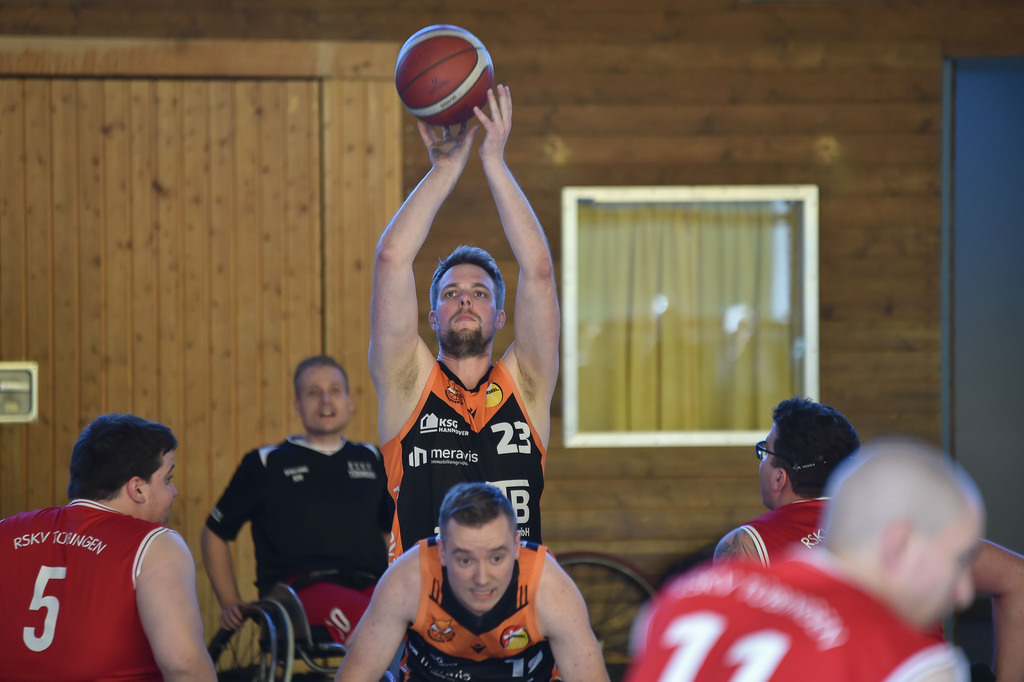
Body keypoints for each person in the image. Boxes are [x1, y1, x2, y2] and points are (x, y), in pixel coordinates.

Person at [369, 85, 560, 559]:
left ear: (500, 316)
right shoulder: (408, 380)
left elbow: (538, 271)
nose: (465, 301)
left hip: (512, 617)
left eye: (480, 293)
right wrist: (444, 172)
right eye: (451, 294)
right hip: (423, 610)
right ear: (433, 316)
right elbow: (392, 258)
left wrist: (494, 160)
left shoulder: (528, 386)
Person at [713, 396, 1024, 681]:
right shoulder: (903, 528)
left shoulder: (746, 544)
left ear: (780, 478)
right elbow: (1017, 577)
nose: (762, 461)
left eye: (764, 452)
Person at [627, 437, 984, 681]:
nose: (964, 592)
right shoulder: (914, 662)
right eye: (959, 559)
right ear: (900, 543)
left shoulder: (686, 596)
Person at [0, 413, 216, 681]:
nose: (174, 492)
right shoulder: (155, 544)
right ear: (137, 489)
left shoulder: (5, 531)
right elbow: (183, 665)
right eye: (167, 479)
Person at [201, 355, 394, 645]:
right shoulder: (266, 463)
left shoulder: (372, 457)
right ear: (297, 404)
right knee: (376, 622)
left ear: (350, 401)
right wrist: (230, 602)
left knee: (412, 615)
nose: (326, 401)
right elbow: (215, 533)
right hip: (297, 591)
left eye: (335, 391)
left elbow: (389, 532)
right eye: (313, 393)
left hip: (371, 585)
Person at [333, 481, 609, 682]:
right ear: (441, 552)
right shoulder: (408, 580)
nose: (482, 578)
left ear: (516, 547)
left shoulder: (550, 589)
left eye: (496, 558)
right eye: (465, 560)